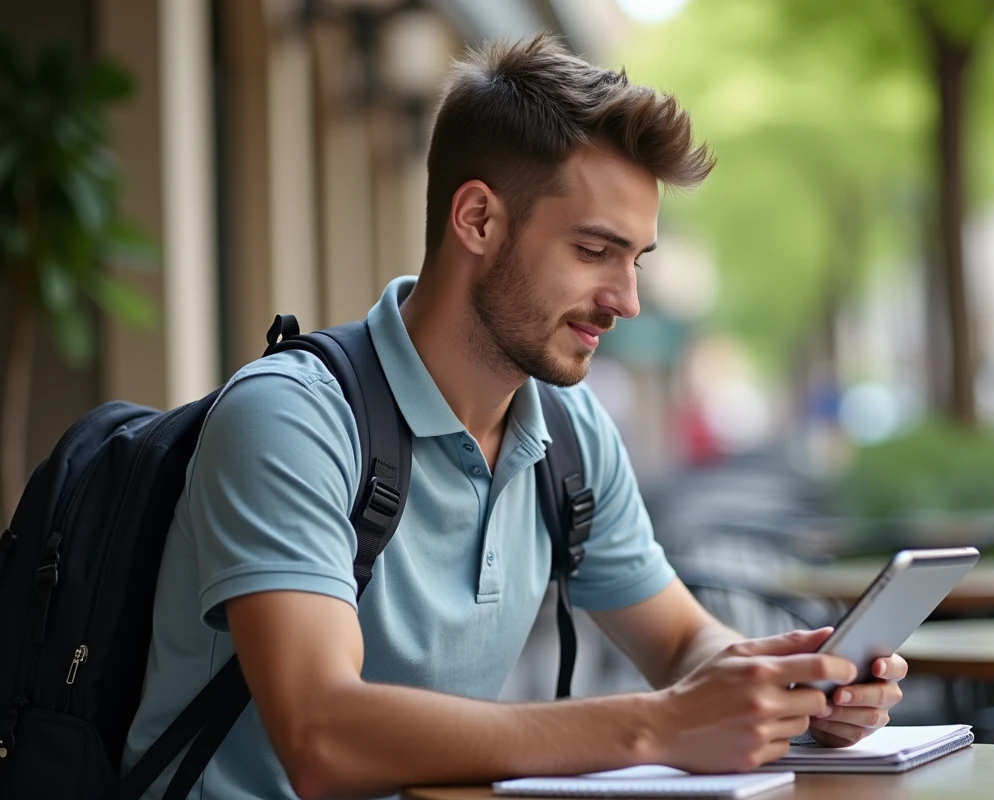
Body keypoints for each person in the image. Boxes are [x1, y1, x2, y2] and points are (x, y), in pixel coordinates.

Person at [120, 33, 906, 800]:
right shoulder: (294, 419)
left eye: (636, 260)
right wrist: (655, 726)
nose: (627, 301)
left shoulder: (570, 431)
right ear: (477, 220)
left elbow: (678, 639)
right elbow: (322, 736)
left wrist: (789, 686)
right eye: (594, 251)